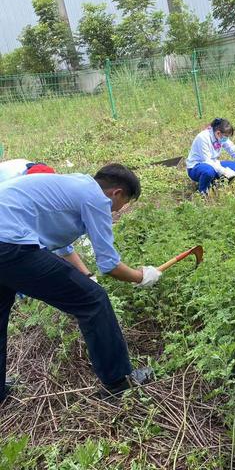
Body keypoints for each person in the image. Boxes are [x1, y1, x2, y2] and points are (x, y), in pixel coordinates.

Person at [0, 164, 162, 403]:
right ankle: (119, 382)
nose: (118, 210)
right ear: (116, 193)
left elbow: (63, 246)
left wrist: (85, 276)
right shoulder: (96, 199)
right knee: (93, 301)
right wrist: (142, 276)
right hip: (9, 245)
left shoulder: (73, 186)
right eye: (124, 204)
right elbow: (109, 265)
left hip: (5, 239)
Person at [186, 118, 235, 194]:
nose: (227, 139)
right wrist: (224, 171)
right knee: (209, 171)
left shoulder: (222, 137)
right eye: (226, 136)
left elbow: (234, 150)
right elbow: (207, 161)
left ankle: (218, 186)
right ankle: (203, 192)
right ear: (218, 133)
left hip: (214, 163)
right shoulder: (203, 138)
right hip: (196, 166)